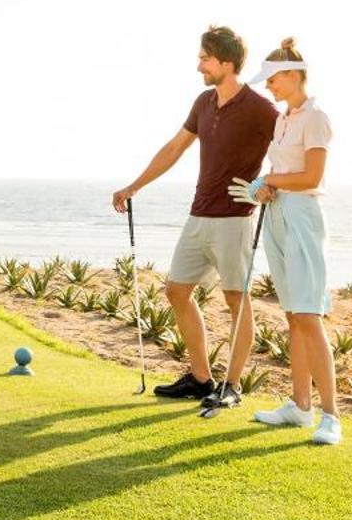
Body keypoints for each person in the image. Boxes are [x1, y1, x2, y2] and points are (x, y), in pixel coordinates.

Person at [111, 26, 277, 411]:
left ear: (226, 63)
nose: (199, 64)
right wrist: (134, 186)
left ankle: (232, 385)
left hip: (235, 219)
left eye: (205, 57)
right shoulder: (204, 102)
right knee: (176, 291)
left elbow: (288, 150)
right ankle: (202, 379)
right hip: (198, 215)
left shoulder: (259, 108)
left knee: (237, 299)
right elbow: (174, 148)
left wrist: (268, 183)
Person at [230, 40, 339, 445]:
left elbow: (311, 177)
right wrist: (264, 188)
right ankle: (300, 406)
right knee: (292, 314)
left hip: (303, 218)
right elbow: (280, 171)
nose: (269, 86)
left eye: (273, 78)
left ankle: (331, 416)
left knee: (309, 315)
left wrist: (269, 180)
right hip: (277, 214)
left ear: (293, 75)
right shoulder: (283, 119)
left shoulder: (317, 118)